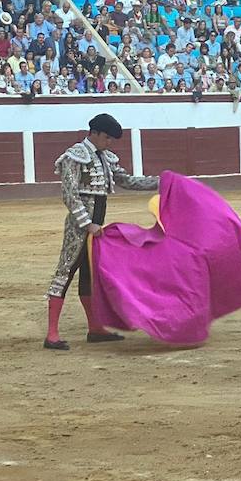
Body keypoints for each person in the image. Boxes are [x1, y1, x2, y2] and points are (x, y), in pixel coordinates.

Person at [44, 113, 159, 350]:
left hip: (96, 226)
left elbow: (127, 181)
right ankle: (52, 335)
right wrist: (87, 224)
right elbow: (69, 195)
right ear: (94, 133)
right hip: (79, 227)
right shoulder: (73, 156)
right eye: (107, 137)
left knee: (89, 276)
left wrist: (161, 182)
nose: (110, 142)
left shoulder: (105, 157)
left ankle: (95, 328)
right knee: (65, 272)